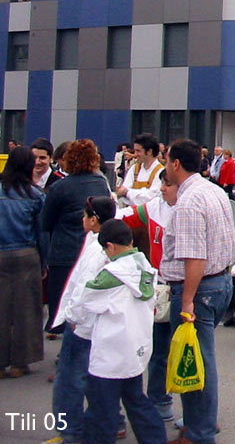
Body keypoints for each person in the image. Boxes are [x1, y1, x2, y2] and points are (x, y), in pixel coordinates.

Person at [159, 139, 235, 444]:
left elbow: (195, 257)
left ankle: (200, 431)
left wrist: (188, 300)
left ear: (176, 164)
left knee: (195, 359)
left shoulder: (190, 201)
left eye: (167, 162)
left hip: (200, 288)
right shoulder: (213, 190)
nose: (166, 167)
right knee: (198, 356)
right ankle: (199, 423)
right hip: (219, 282)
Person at [78, 220, 166, 444]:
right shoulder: (146, 267)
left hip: (110, 351)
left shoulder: (111, 275)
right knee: (137, 401)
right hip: (136, 347)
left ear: (110, 246)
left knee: (101, 409)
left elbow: (86, 301)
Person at [49, 195, 118, 442]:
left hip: (82, 325)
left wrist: (71, 317)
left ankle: (71, 433)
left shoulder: (98, 250)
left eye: (85, 215)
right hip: (98, 325)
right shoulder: (103, 241)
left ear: (94, 219)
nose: (82, 219)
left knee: (69, 381)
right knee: (98, 382)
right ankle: (106, 426)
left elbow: (84, 289)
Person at [117, 171, 178, 426]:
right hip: (161, 289)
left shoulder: (192, 207)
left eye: (169, 184)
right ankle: (159, 401)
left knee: (191, 352)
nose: (163, 188)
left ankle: (198, 413)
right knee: (159, 350)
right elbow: (123, 220)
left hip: (191, 287)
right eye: (163, 183)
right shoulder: (153, 208)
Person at [42, 139, 113, 338]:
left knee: (64, 303)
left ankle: (66, 355)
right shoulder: (101, 183)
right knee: (88, 303)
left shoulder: (60, 187)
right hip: (95, 250)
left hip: (64, 252)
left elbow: (45, 222)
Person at [0, 146, 45, 379]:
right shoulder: (35, 195)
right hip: (26, 254)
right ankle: (20, 362)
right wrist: (44, 262)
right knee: (27, 310)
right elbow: (42, 232)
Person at [117, 134, 164, 207]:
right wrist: (141, 194)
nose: (135, 154)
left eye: (138, 151)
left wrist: (128, 193)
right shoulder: (134, 169)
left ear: (149, 152)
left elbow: (152, 198)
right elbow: (122, 191)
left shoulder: (161, 172)